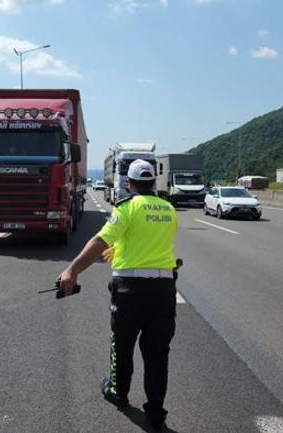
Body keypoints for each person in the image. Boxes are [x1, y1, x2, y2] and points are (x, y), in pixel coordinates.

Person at [58, 159, 178, 431]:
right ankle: (156, 413)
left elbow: (100, 240)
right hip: (163, 291)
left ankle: (118, 392)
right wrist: (122, 249)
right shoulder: (169, 209)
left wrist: (72, 270)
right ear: (153, 182)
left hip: (130, 291)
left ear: (129, 183)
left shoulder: (126, 208)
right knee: (158, 354)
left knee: (122, 346)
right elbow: (149, 242)